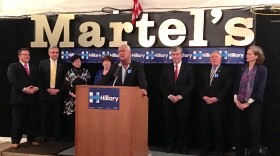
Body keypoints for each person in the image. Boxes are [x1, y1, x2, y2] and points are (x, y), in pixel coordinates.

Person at [159, 46, 195, 154]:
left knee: (183, 125)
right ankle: (170, 146)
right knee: (169, 124)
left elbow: (191, 84)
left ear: (181, 55)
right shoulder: (166, 68)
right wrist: (170, 96)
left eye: (177, 54)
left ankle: (183, 147)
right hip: (168, 101)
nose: (175, 57)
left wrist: (180, 96)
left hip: (183, 102)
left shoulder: (189, 68)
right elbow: (161, 84)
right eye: (173, 55)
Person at [233, 46, 267, 156]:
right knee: (239, 129)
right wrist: (236, 99)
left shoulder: (262, 69)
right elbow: (236, 85)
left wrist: (248, 103)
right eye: (247, 54)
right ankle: (239, 152)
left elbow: (260, 89)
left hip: (254, 104)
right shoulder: (242, 68)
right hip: (239, 103)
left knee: (254, 130)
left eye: (250, 54)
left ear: (257, 56)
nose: (247, 55)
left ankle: (254, 152)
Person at [198, 51, 232, 156]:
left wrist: (217, 98)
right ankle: (205, 149)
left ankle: (219, 150)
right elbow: (199, 85)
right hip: (205, 103)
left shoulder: (226, 71)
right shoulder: (204, 70)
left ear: (221, 58)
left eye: (216, 57)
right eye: (212, 57)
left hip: (218, 105)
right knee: (205, 127)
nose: (214, 58)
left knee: (218, 128)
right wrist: (203, 96)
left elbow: (228, 86)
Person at [7, 48, 40, 148]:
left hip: (32, 98)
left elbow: (39, 79)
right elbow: (13, 80)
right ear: (19, 56)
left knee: (31, 120)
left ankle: (32, 139)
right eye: (25, 54)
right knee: (18, 120)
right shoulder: (13, 66)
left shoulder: (34, 67)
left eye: (28, 55)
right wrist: (24, 89)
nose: (27, 56)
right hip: (19, 99)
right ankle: (15, 141)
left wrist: (36, 88)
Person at [38, 46, 67, 142]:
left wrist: (59, 90)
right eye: (53, 52)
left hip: (58, 94)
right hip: (45, 94)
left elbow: (65, 80)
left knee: (57, 116)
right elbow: (40, 78)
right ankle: (44, 135)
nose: (55, 54)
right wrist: (47, 89)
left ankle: (57, 135)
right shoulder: (42, 63)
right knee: (44, 116)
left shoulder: (63, 64)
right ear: (49, 53)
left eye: (57, 52)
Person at [64, 54, 91, 141]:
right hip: (71, 98)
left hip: (84, 98)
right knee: (71, 119)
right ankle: (71, 137)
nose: (78, 62)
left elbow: (89, 85)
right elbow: (66, 86)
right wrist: (73, 95)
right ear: (72, 63)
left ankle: (83, 137)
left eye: (79, 61)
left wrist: (82, 96)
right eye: (76, 61)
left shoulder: (86, 71)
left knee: (83, 119)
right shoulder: (69, 72)